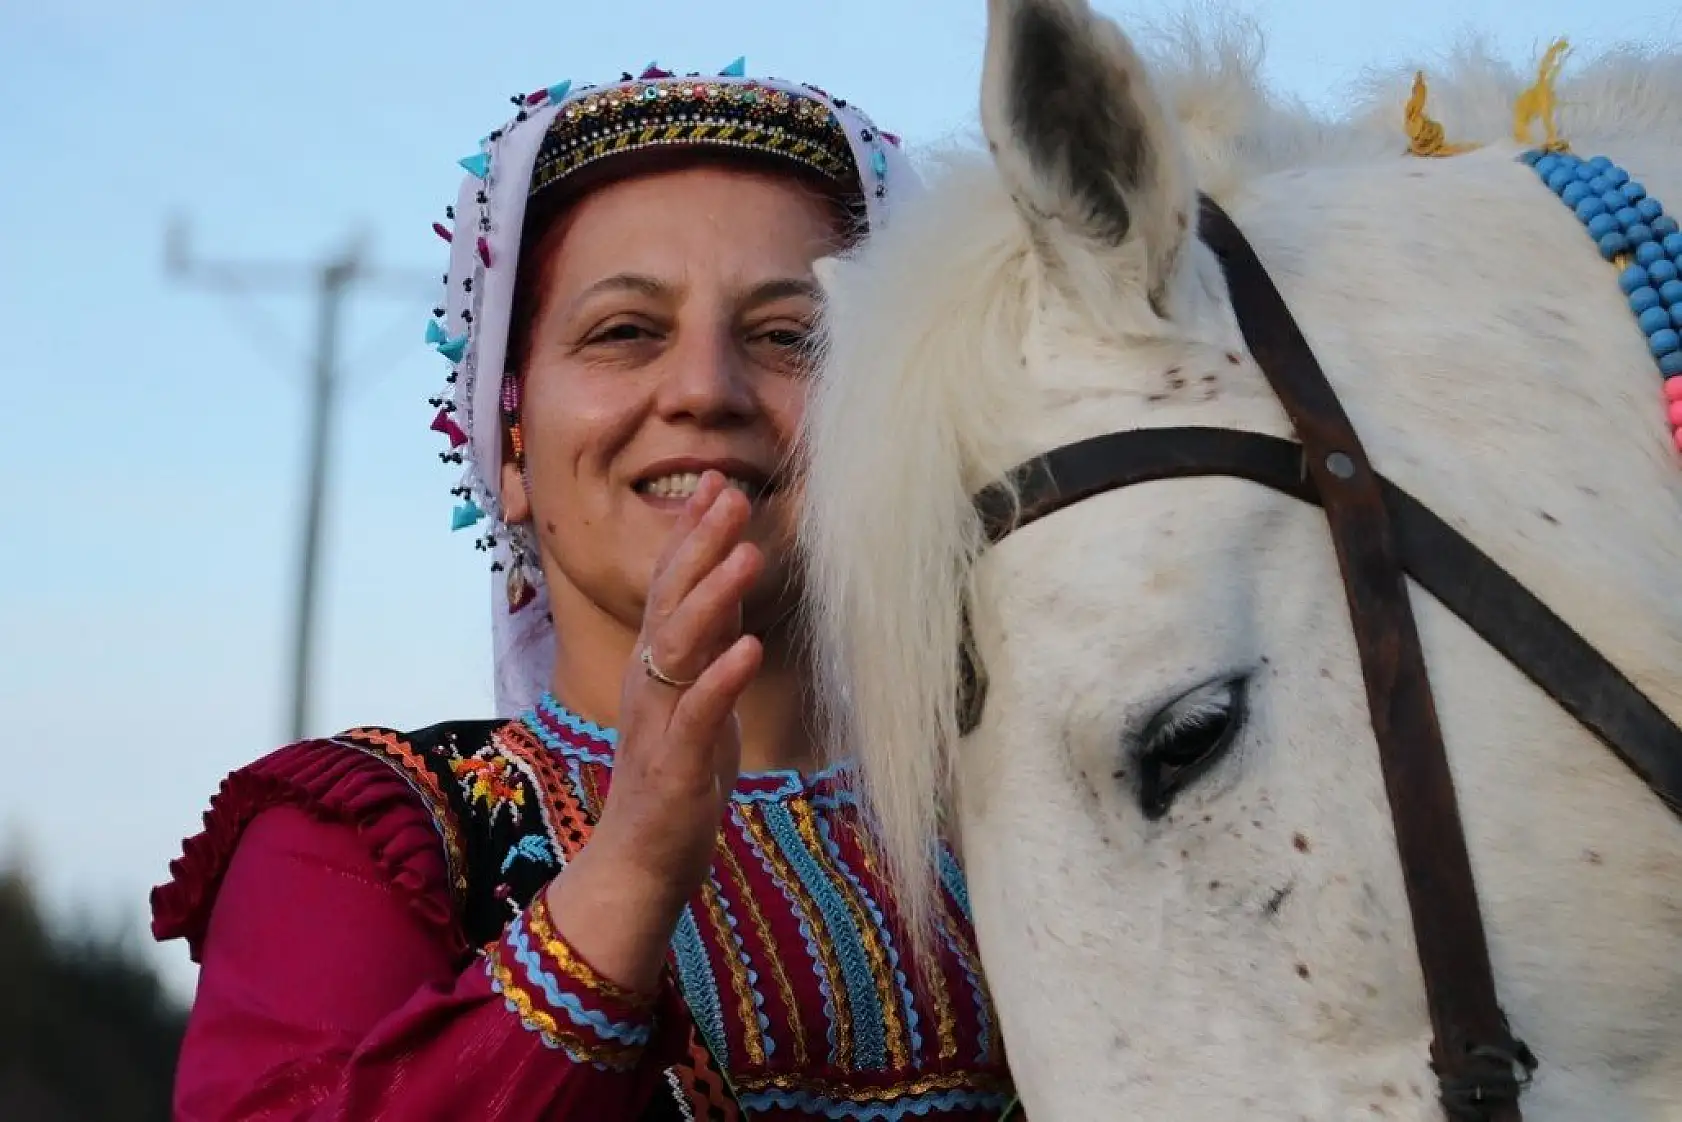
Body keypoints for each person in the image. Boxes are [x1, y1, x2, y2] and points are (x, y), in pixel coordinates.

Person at [151, 60, 1019, 1121]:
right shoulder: (370, 844)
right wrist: (626, 879)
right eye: (624, 332)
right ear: (507, 448)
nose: (703, 389)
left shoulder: (1035, 826)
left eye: (792, 337)